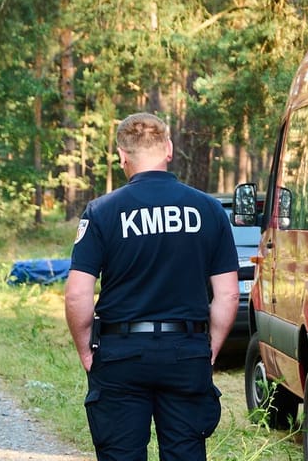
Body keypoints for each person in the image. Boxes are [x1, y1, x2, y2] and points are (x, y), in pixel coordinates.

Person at [65, 112, 239, 461]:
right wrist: (210, 349)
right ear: (169, 149)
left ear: (122, 157)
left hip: (121, 353)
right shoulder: (208, 210)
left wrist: (87, 351)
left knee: (121, 454)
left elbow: (78, 293)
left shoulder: (102, 211)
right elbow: (229, 293)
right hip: (186, 351)